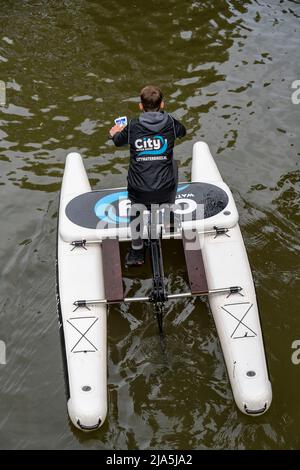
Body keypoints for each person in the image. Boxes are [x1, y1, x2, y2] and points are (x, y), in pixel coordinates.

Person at [109, 85, 186, 266]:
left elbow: (118, 142)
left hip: (139, 192)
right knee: (172, 166)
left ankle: (137, 251)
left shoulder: (133, 126)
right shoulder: (171, 123)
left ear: (140, 106)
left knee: (136, 206)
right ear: (162, 104)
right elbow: (183, 132)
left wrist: (114, 133)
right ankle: (169, 218)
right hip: (164, 191)